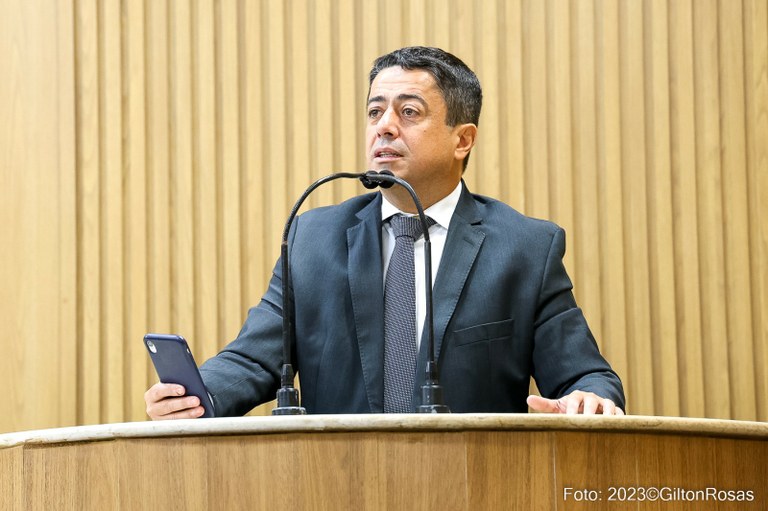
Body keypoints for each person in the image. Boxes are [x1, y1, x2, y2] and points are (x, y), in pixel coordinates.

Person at [145, 46, 625, 419]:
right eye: (375, 112)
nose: (384, 128)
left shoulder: (523, 248)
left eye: (408, 112)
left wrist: (589, 398)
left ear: (463, 139)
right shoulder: (313, 238)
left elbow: (586, 375)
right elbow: (253, 360)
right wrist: (196, 395)